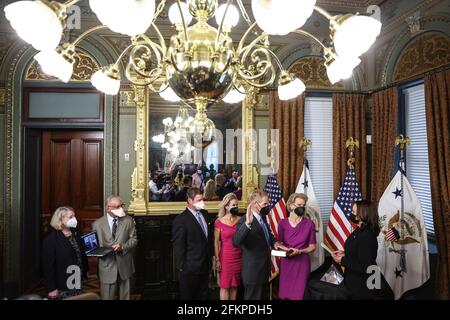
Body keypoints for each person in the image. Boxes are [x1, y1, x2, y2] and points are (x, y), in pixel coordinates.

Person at [307, 200, 380, 300]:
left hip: (361, 286)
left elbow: (366, 267)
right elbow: (358, 250)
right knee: (314, 281)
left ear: (363, 214)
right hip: (350, 279)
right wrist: (344, 253)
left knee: (314, 284)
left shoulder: (367, 236)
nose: (352, 214)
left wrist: (342, 260)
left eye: (354, 212)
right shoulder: (359, 229)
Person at [232, 190, 288, 300]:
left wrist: (275, 243)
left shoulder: (262, 217)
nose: (268, 206)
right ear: (255, 204)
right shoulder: (244, 221)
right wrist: (247, 224)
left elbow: (268, 234)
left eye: (268, 203)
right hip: (253, 271)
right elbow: (236, 242)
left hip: (264, 269)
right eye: (265, 204)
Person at [93, 195, 138, 300]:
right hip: (107, 264)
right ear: (108, 208)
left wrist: (122, 246)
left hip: (125, 263)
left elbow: (134, 239)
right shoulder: (97, 224)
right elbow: (95, 247)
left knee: (125, 296)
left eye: (121, 205)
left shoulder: (128, 220)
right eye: (117, 207)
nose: (121, 209)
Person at [172, 188, 213, 299]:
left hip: (205, 267)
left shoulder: (205, 214)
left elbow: (208, 240)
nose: (202, 203)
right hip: (189, 270)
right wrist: (183, 268)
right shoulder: (181, 220)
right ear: (190, 200)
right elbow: (178, 247)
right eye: (199, 200)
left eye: (202, 200)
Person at [42, 206, 88, 299]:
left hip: (78, 278)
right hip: (63, 282)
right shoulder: (51, 240)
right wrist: (51, 288)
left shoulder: (76, 232)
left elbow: (81, 253)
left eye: (74, 216)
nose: (74, 219)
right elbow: (48, 266)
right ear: (60, 219)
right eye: (71, 217)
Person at [278, 193, 316, 300]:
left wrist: (300, 251)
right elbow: (279, 244)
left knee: (299, 294)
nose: (301, 207)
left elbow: (312, 247)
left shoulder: (309, 224)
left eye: (303, 205)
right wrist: (286, 250)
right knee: (285, 294)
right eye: (299, 204)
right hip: (286, 263)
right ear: (291, 206)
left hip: (302, 264)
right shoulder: (282, 223)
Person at [214, 193, 242, 300]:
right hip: (225, 257)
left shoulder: (241, 220)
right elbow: (216, 242)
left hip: (238, 256)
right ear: (226, 206)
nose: (235, 207)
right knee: (225, 286)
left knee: (234, 286)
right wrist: (217, 259)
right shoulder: (219, 222)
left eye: (236, 205)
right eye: (233, 205)